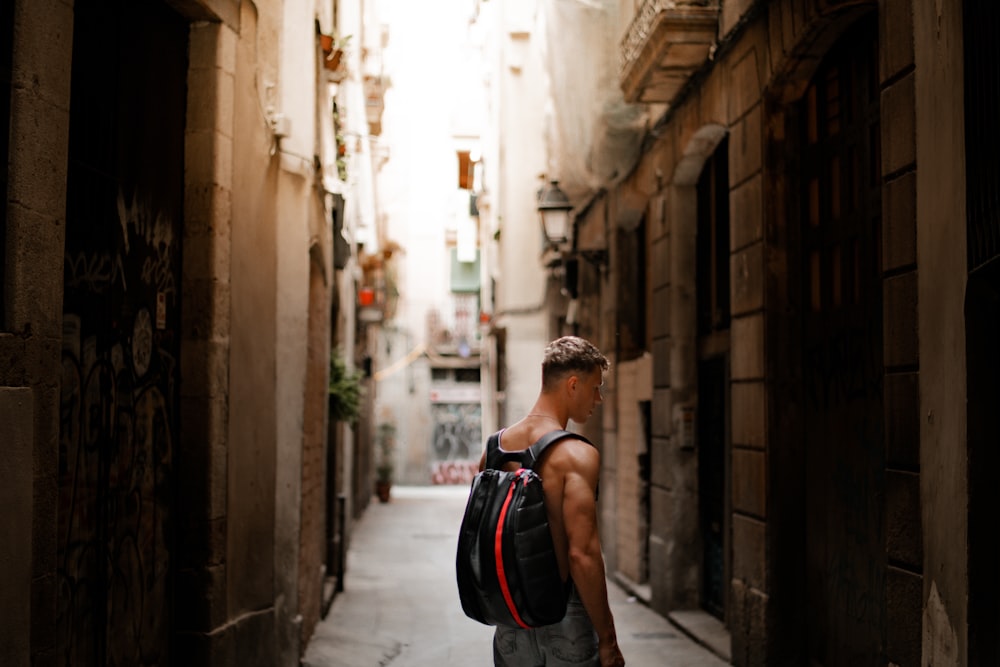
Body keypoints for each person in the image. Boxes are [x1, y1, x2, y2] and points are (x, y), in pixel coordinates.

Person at [480, 335, 625, 667]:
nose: (598, 399)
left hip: (510, 620)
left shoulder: (492, 450)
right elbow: (582, 554)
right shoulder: (576, 455)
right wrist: (609, 640)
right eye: (595, 387)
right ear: (573, 385)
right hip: (564, 616)